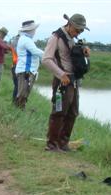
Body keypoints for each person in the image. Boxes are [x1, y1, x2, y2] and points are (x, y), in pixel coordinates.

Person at [41, 13, 90, 151]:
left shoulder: (72, 38)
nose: (78, 33)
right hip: (62, 81)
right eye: (77, 30)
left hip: (73, 81)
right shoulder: (55, 37)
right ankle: (52, 144)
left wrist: (84, 53)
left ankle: (63, 143)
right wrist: (60, 74)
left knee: (73, 112)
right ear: (69, 25)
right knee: (59, 112)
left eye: (81, 31)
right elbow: (46, 59)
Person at [14, 20, 43, 109]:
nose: (35, 31)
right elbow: (35, 51)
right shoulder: (26, 40)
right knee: (23, 93)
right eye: (34, 29)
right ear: (30, 30)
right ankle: (18, 112)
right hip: (26, 70)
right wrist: (48, 55)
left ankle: (19, 111)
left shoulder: (25, 39)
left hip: (26, 70)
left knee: (24, 92)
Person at [9, 34, 20, 104]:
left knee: (17, 86)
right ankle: (15, 102)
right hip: (17, 66)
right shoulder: (17, 45)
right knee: (18, 86)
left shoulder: (13, 43)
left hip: (14, 65)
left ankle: (14, 102)